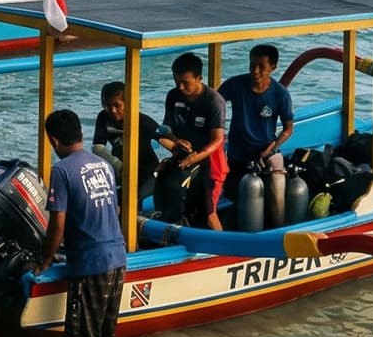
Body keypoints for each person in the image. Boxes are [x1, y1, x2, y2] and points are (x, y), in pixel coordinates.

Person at [38, 109, 126, 337]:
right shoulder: (103, 164)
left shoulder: (61, 171)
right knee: (106, 330)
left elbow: (57, 224)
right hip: (117, 255)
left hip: (90, 262)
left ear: (54, 139)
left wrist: (46, 259)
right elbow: (113, 210)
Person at [156, 53, 226, 231]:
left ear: (199, 78)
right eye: (176, 81)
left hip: (210, 162)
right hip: (184, 160)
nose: (180, 87)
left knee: (208, 211)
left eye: (185, 83)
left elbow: (218, 139)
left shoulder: (214, 101)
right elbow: (166, 133)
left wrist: (196, 157)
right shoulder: (173, 96)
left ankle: (222, 250)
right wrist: (177, 142)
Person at [220, 45, 296, 191]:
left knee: (274, 186)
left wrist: (271, 149)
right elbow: (214, 103)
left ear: (272, 67)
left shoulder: (280, 93)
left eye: (261, 66)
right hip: (237, 155)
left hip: (264, 154)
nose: (255, 70)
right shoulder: (234, 84)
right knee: (233, 194)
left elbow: (288, 129)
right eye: (252, 64)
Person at [92, 79, 162, 211]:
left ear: (127, 103)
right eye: (107, 106)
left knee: (137, 201)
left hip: (147, 172)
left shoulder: (141, 120)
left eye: (117, 105)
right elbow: (98, 147)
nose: (112, 110)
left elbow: (165, 140)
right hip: (120, 169)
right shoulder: (103, 117)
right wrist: (119, 166)